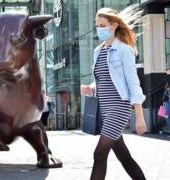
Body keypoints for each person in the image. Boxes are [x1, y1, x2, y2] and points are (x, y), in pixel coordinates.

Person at [81, 6, 147, 180]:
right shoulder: (98, 51)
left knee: (99, 155)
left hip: (119, 109)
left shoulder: (124, 50)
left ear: (114, 25)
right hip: (104, 109)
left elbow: (133, 83)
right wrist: (91, 86)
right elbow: (106, 78)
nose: (99, 29)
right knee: (124, 157)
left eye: (102, 25)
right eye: (97, 25)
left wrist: (139, 116)